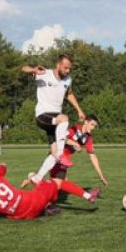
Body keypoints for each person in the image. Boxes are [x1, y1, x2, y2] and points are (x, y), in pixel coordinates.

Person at [0, 163, 99, 222]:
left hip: (23, 216)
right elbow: (3, 164)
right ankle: (88, 196)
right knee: (57, 182)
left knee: (34, 181)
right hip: (34, 201)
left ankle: (47, 207)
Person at [21, 53, 86, 183]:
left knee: (54, 153)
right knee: (64, 118)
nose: (67, 71)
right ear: (58, 64)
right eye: (65, 67)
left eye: (69, 69)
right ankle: (62, 154)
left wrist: (79, 110)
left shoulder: (67, 80)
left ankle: (37, 178)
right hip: (43, 115)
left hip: (55, 121)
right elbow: (23, 68)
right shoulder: (44, 74)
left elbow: (69, 94)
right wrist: (33, 70)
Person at [43, 114, 109, 188]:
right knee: (59, 184)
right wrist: (75, 143)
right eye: (92, 124)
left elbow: (93, 157)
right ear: (86, 122)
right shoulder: (75, 128)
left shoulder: (88, 138)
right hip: (57, 155)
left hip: (64, 161)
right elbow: (62, 139)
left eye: (94, 126)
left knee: (58, 185)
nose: (93, 128)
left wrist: (101, 176)